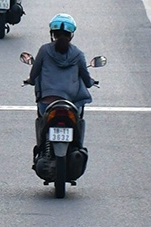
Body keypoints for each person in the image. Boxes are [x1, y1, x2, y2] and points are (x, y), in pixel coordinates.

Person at [26, 13, 97, 143]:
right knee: (79, 120)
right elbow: (86, 81)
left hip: (46, 103)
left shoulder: (44, 50)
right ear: (71, 35)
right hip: (71, 105)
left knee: (41, 120)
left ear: (53, 33)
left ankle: (41, 146)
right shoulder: (78, 54)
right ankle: (78, 145)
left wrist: (30, 81)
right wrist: (91, 82)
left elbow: (34, 73)